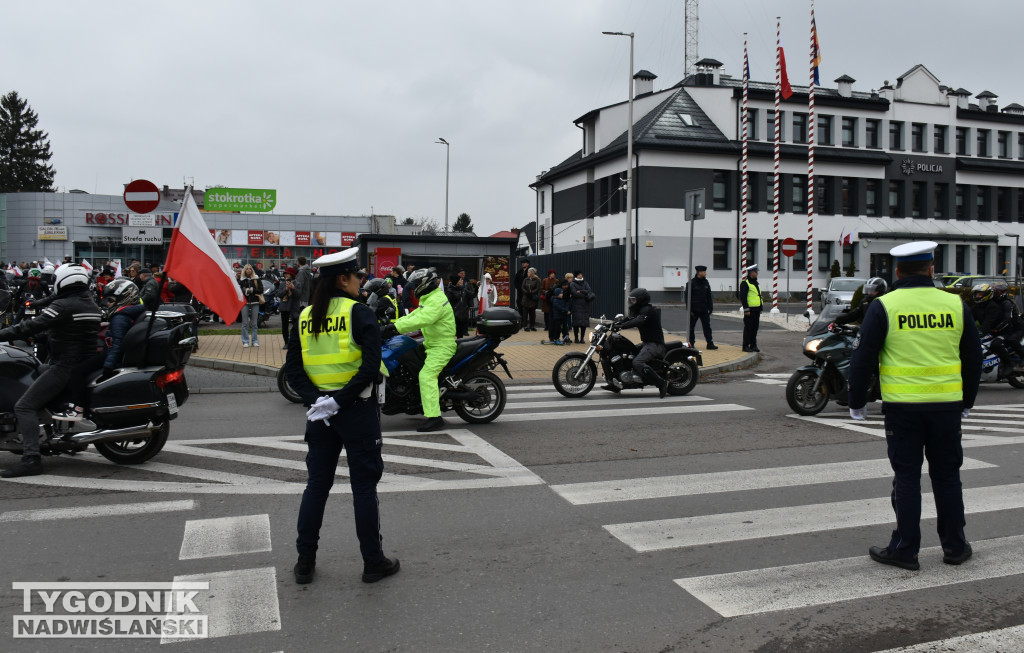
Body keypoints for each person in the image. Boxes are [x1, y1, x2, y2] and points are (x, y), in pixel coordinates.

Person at [848, 241, 981, 571]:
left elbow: (862, 358)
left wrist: (856, 402)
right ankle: (954, 546)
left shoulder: (885, 306)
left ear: (897, 271)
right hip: (947, 407)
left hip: (903, 409)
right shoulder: (954, 304)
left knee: (906, 478)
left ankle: (905, 550)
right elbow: (974, 357)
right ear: (931, 269)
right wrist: (968, 400)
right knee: (948, 477)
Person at [283, 248, 399, 585]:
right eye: (358, 275)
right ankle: (372, 562)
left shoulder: (305, 316)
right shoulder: (358, 313)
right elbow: (369, 367)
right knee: (364, 488)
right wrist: (340, 401)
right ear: (343, 278)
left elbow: (294, 369)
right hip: (357, 411)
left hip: (320, 415)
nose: (362, 280)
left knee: (316, 486)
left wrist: (317, 401)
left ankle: (305, 562)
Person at [0, 265, 103, 478]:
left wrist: (2, 333)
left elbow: (29, 326)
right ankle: (56, 432)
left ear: (63, 281)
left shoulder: (64, 305)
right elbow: (62, 323)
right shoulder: (89, 302)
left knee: (24, 406)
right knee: (36, 371)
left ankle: (31, 459)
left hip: (65, 365)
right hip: (80, 362)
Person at [383, 267, 457, 432]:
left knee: (426, 375)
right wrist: (392, 324)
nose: (415, 286)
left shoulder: (437, 299)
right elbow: (414, 316)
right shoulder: (429, 297)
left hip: (442, 346)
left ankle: (434, 417)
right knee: (408, 363)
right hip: (431, 343)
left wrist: (396, 327)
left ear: (425, 283)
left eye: (417, 283)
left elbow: (424, 318)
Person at [613, 288, 668, 397]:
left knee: (637, 362)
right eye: (631, 300)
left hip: (655, 344)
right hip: (647, 343)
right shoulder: (639, 310)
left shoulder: (648, 310)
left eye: (633, 300)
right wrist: (613, 324)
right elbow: (629, 318)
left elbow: (638, 321)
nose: (632, 303)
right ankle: (615, 383)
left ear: (641, 300)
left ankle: (661, 383)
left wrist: (622, 326)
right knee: (628, 354)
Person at [970, 283, 1022, 378]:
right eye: (977, 294)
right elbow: (969, 318)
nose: (977, 296)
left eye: (980, 294)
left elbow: (990, 321)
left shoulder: (997, 305)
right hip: (994, 330)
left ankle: (1009, 364)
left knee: (996, 344)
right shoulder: (978, 306)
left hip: (1006, 330)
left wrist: (987, 331)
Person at [687, 265, 717, 349]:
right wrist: (689, 310)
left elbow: (709, 296)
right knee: (691, 328)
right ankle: (691, 343)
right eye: (704, 272)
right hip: (694, 310)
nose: (705, 273)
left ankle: (710, 344)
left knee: (707, 327)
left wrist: (710, 307)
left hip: (704, 309)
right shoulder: (691, 283)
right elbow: (687, 298)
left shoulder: (706, 282)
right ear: (699, 272)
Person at [237, 264, 264, 347]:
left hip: (255, 302)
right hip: (244, 303)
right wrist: (244, 290)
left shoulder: (256, 278)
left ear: (252, 270)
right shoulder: (241, 280)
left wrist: (252, 290)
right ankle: (245, 341)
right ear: (244, 270)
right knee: (244, 323)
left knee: (254, 323)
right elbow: (238, 290)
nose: (249, 270)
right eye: (247, 269)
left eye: (250, 269)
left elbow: (261, 289)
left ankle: (254, 340)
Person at [739, 264, 763, 352]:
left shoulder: (756, 283)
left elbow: (759, 296)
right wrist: (746, 309)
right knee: (748, 328)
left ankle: (753, 345)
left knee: (755, 328)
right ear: (751, 273)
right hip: (750, 310)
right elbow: (743, 298)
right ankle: (745, 346)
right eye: (756, 272)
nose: (757, 273)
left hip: (756, 309)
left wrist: (760, 308)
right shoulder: (745, 283)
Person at [277, 267, 301, 349]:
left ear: (292, 275)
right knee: (284, 325)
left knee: (295, 325)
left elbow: (298, 295)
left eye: (288, 274)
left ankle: (294, 342)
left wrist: (293, 288)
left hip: (294, 307)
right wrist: (286, 289)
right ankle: (286, 342)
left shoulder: (297, 284)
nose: (286, 275)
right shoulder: (282, 284)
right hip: (284, 307)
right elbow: (279, 294)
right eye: (285, 274)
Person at [568, 270, 593, 344]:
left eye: (581, 274)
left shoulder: (585, 282)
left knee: (584, 323)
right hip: (576, 305)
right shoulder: (573, 283)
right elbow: (574, 293)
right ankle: (576, 338)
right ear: (576, 275)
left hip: (585, 305)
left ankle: (582, 338)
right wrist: (584, 293)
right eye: (579, 274)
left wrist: (581, 291)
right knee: (576, 323)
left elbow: (589, 291)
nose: (580, 276)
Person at [445, 273, 472, 338]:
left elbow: (472, 295)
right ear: (456, 282)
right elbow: (447, 304)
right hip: (454, 315)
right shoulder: (450, 291)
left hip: (462, 315)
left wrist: (477, 288)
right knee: (452, 333)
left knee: (460, 334)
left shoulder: (463, 290)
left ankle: (459, 346)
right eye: (460, 280)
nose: (462, 281)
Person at [520, 267, 542, 331]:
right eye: (528, 272)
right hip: (526, 298)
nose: (528, 273)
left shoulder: (537, 280)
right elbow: (522, 287)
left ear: (532, 273)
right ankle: (525, 326)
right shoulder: (526, 279)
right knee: (525, 313)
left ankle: (532, 326)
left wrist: (532, 292)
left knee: (532, 313)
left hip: (532, 298)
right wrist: (526, 292)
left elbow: (538, 288)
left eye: (529, 272)